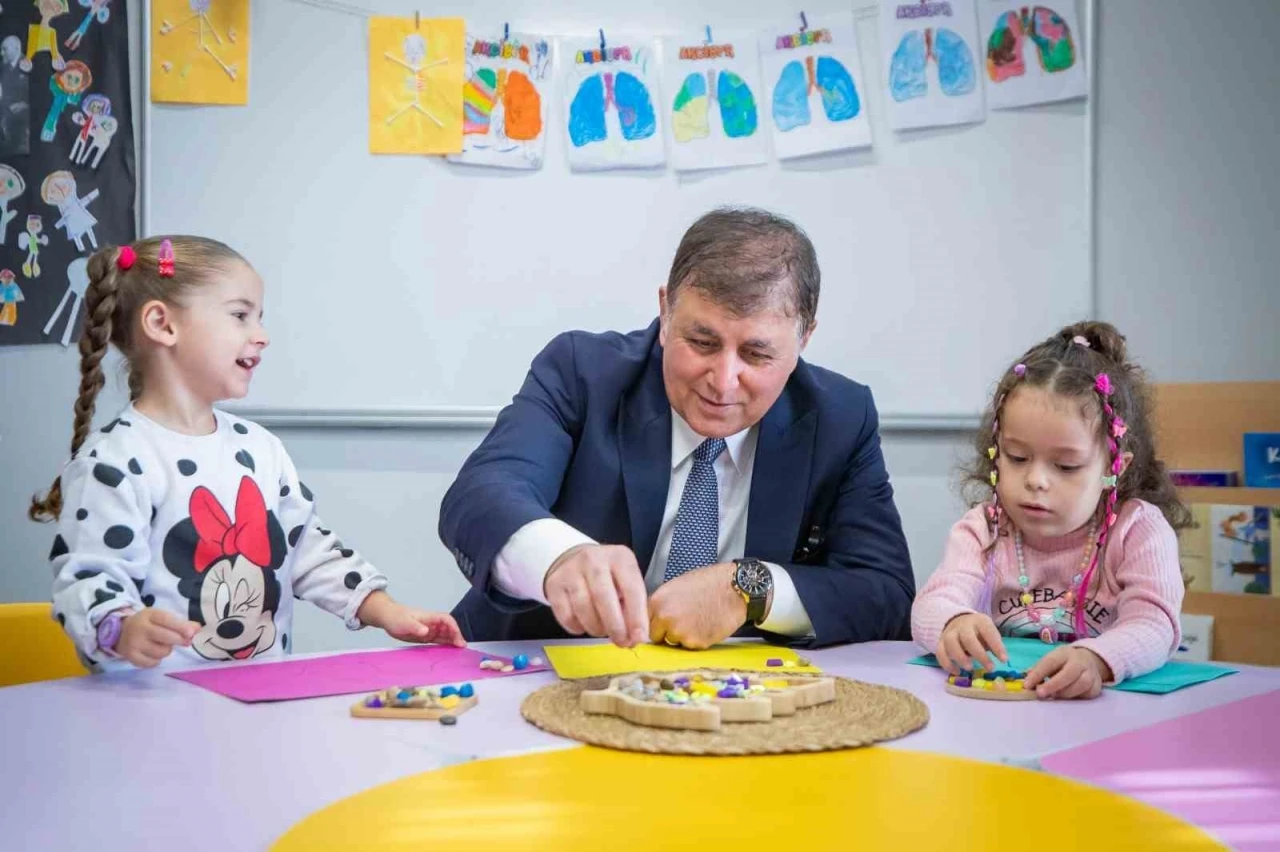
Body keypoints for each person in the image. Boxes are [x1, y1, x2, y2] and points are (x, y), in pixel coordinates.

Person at [440, 207, 914, 649]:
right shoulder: (582, 373)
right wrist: (560, 558)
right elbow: (482, 494)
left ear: (804, 338)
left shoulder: (840, 418)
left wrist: (753, 589)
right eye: (702, 342)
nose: (723, 381)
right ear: (666, 313)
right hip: (525, 667)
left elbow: (886, 591)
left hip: (726, 696)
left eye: (757, 355)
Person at [31, 236, 463, 670]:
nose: (262, 336)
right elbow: (88, 577)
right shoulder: (113, 461)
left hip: (256, 696)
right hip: (151, 702)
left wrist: (387, 611)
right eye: (240, 316)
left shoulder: (260, 448)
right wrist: (120, 628)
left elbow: (307, 550)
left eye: (259, 318)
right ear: (163, 324)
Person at [911, 321, 1189, 699]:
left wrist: (1099, 659)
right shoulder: (984, 529)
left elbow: (1155, 625)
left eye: (1065, 466)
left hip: (1105, 716)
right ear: (996, 451)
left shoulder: (1138, 530)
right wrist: (953, 621)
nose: (1036, 480)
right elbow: (932, 603)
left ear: (1114, 467)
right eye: (1017, 457)